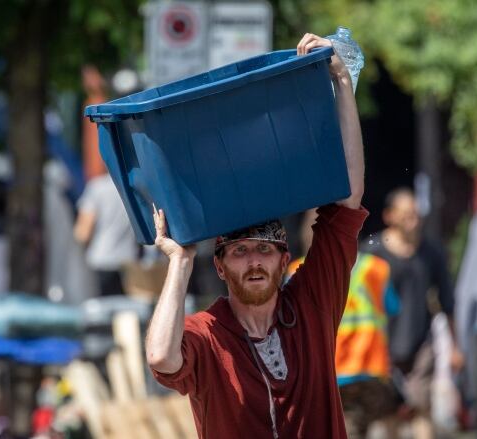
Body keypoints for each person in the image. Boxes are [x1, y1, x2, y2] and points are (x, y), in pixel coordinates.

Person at [145, 33, 366, 439]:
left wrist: (342, 83)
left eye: (265, 250)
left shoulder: (313, 306)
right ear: (222, 266)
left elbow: (347, 200)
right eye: (240, 252)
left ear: (285, 260)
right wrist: (180, 261)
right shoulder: (206, 332)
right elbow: (161, 355)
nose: (254, 262)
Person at [286, 208, 401, 439]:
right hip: (371, 367)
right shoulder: (376, 268)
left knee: (343, 427)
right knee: (380, 421)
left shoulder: (296, 271)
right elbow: (393, 309)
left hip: (329, 370)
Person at [360, 187, 463, 439]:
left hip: (421, 343)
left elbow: (447, 301)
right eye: (406, 215)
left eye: (416, 214)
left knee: (420, 408)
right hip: (384, 345)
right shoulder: (372, 251)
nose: (413, 221)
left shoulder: (432, 252)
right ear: (389, 216)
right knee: (389, 413)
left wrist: (456, 347)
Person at [73, 174, 138, 295]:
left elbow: (83, 233)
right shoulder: (133, 187)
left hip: (101, 260)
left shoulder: (97, 188)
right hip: (129, 260)